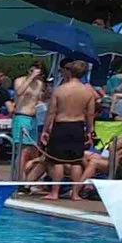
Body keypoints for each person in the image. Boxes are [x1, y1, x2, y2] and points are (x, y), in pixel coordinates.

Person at [40, 59, 101, 199]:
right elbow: (90, 113)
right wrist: (89, 131)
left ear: (69, 72)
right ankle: (75, 193)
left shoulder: (60, 90)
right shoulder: (88, 91)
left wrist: (45, 130)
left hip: (61, 125)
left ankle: (55, 192)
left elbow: (51, 112)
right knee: (76, 162)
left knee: (58, 161)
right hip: (78, 126)